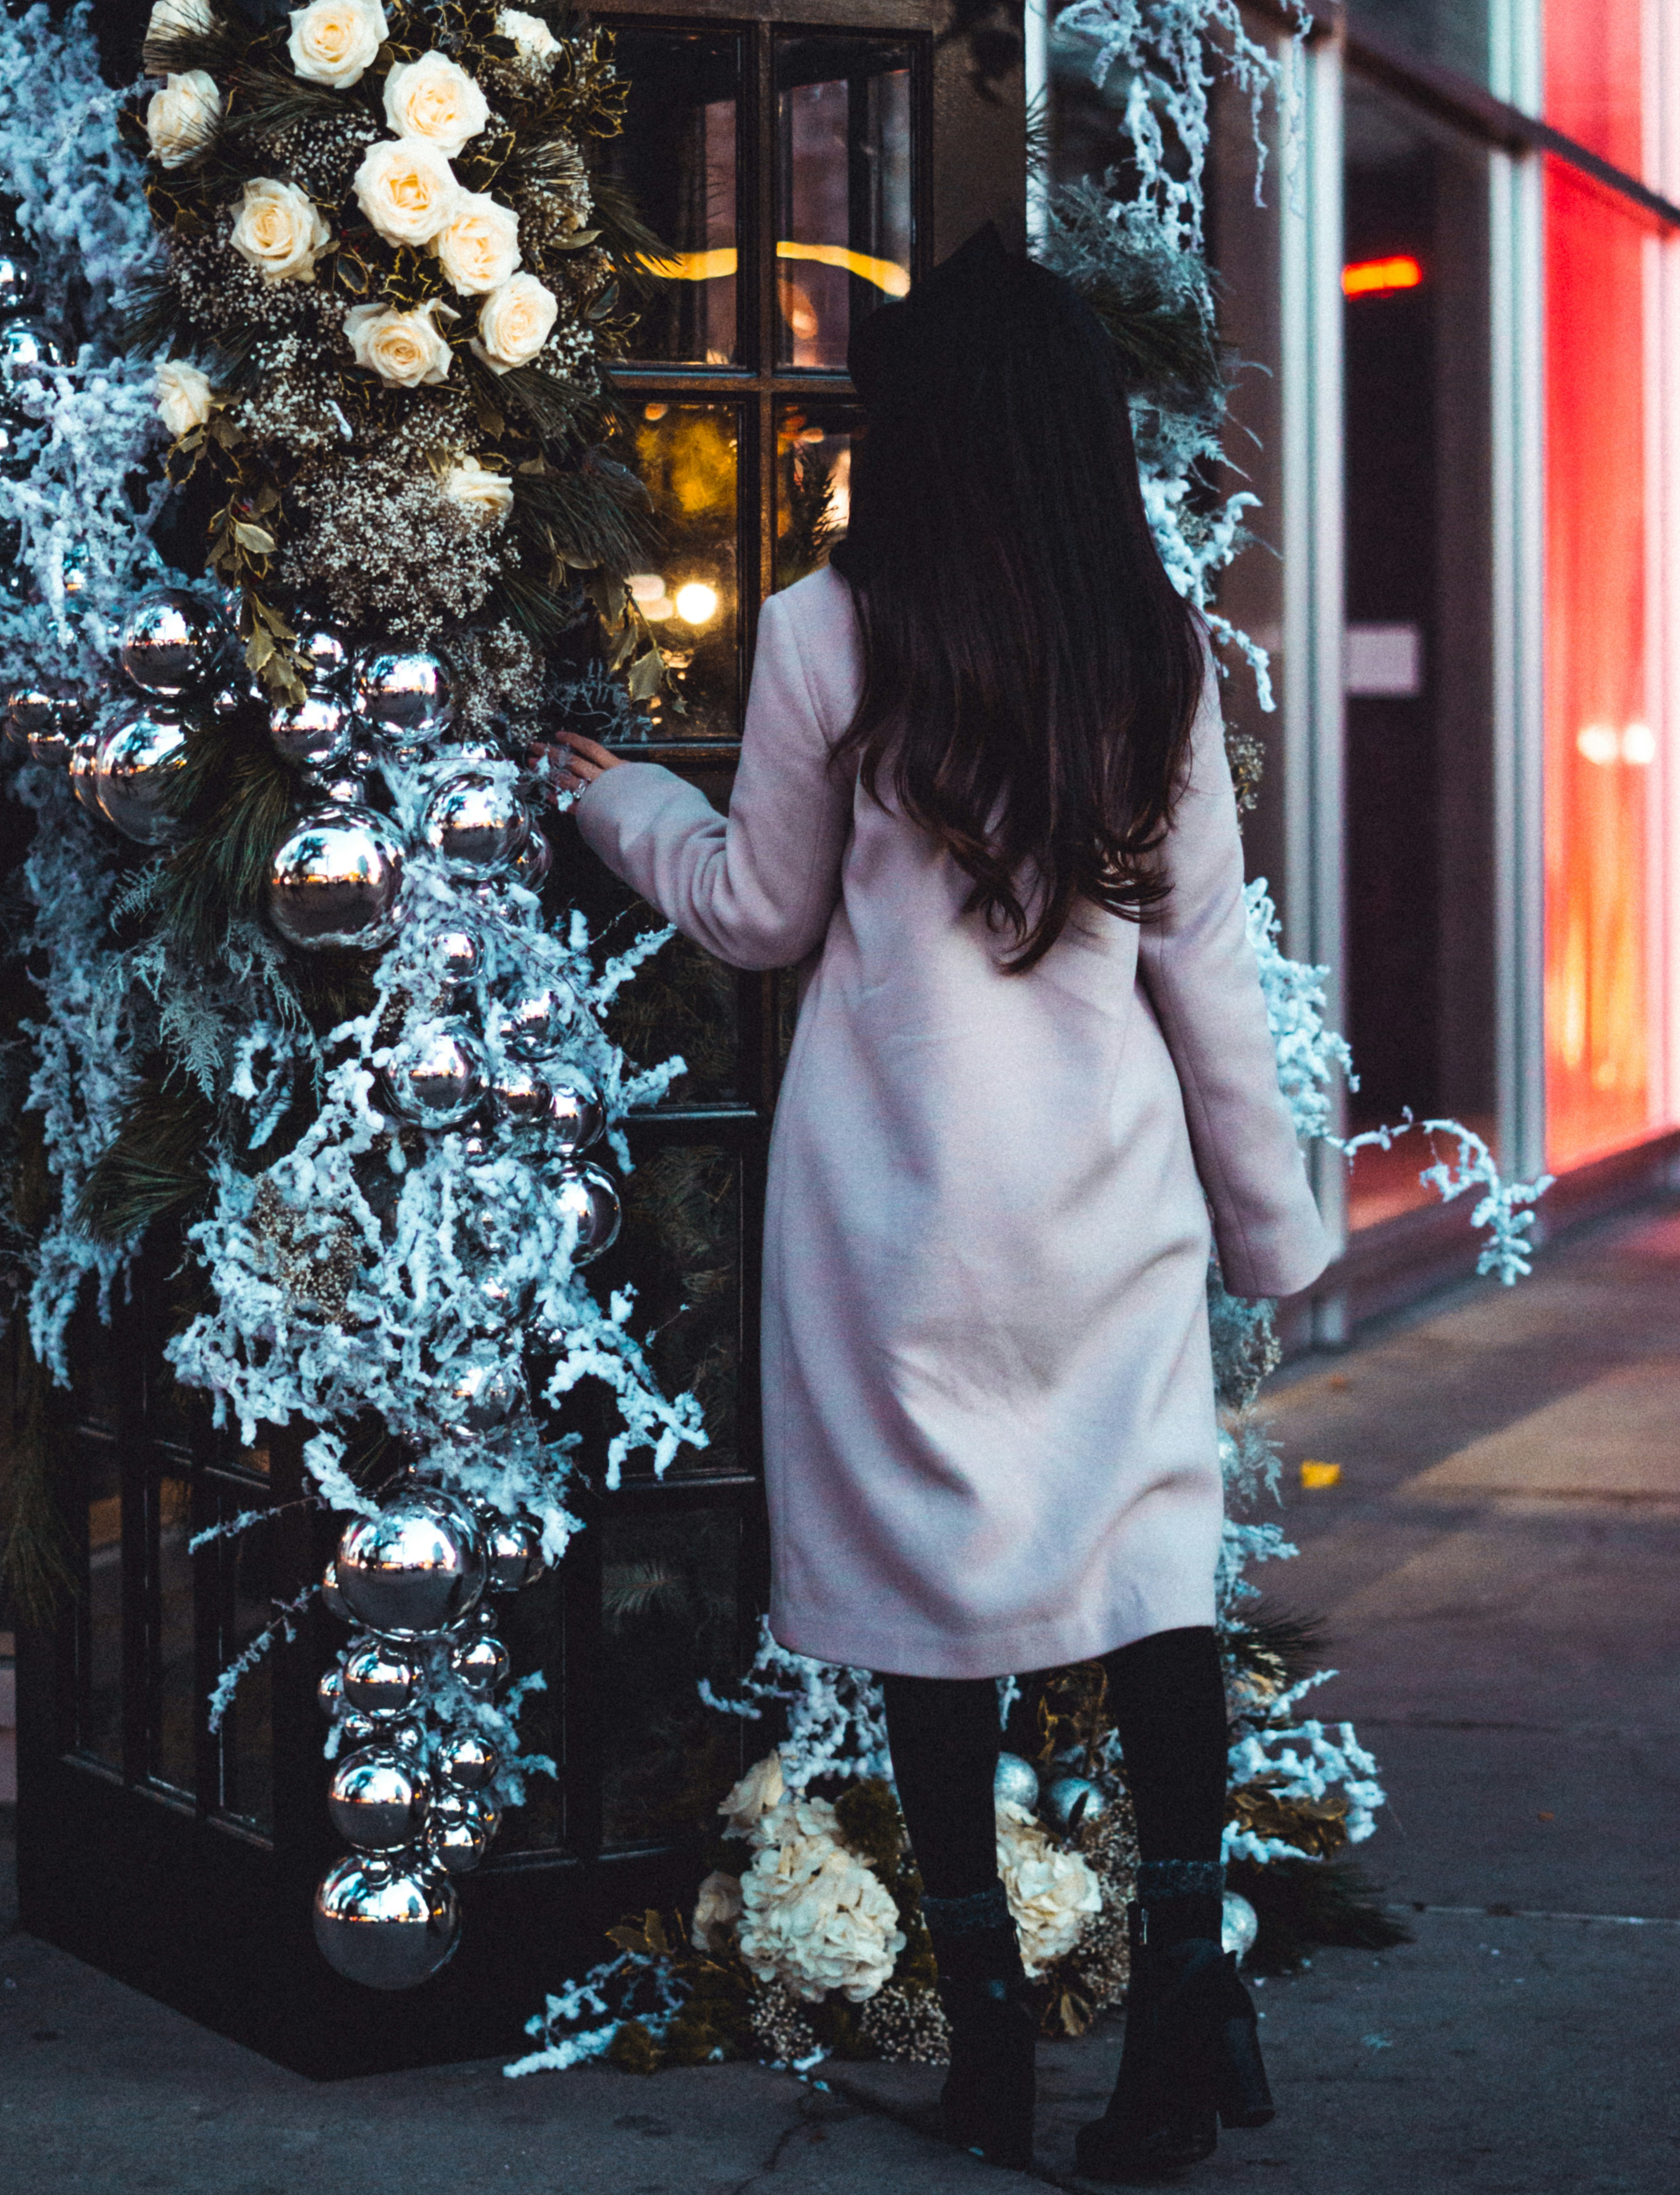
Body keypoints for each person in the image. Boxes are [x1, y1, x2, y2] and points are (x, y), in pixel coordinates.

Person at [543, 226, 1330, 2182]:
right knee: (1152, 1599)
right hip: (1105, 1202)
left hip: (894, 1212)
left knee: (928, 1627)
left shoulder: (831, 628)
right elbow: (1205, 973)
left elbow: (756, 912)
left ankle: (985, 2041)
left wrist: (606, 795)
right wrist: (1271, 1228)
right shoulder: (1148, 646)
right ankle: (1172, 2022)